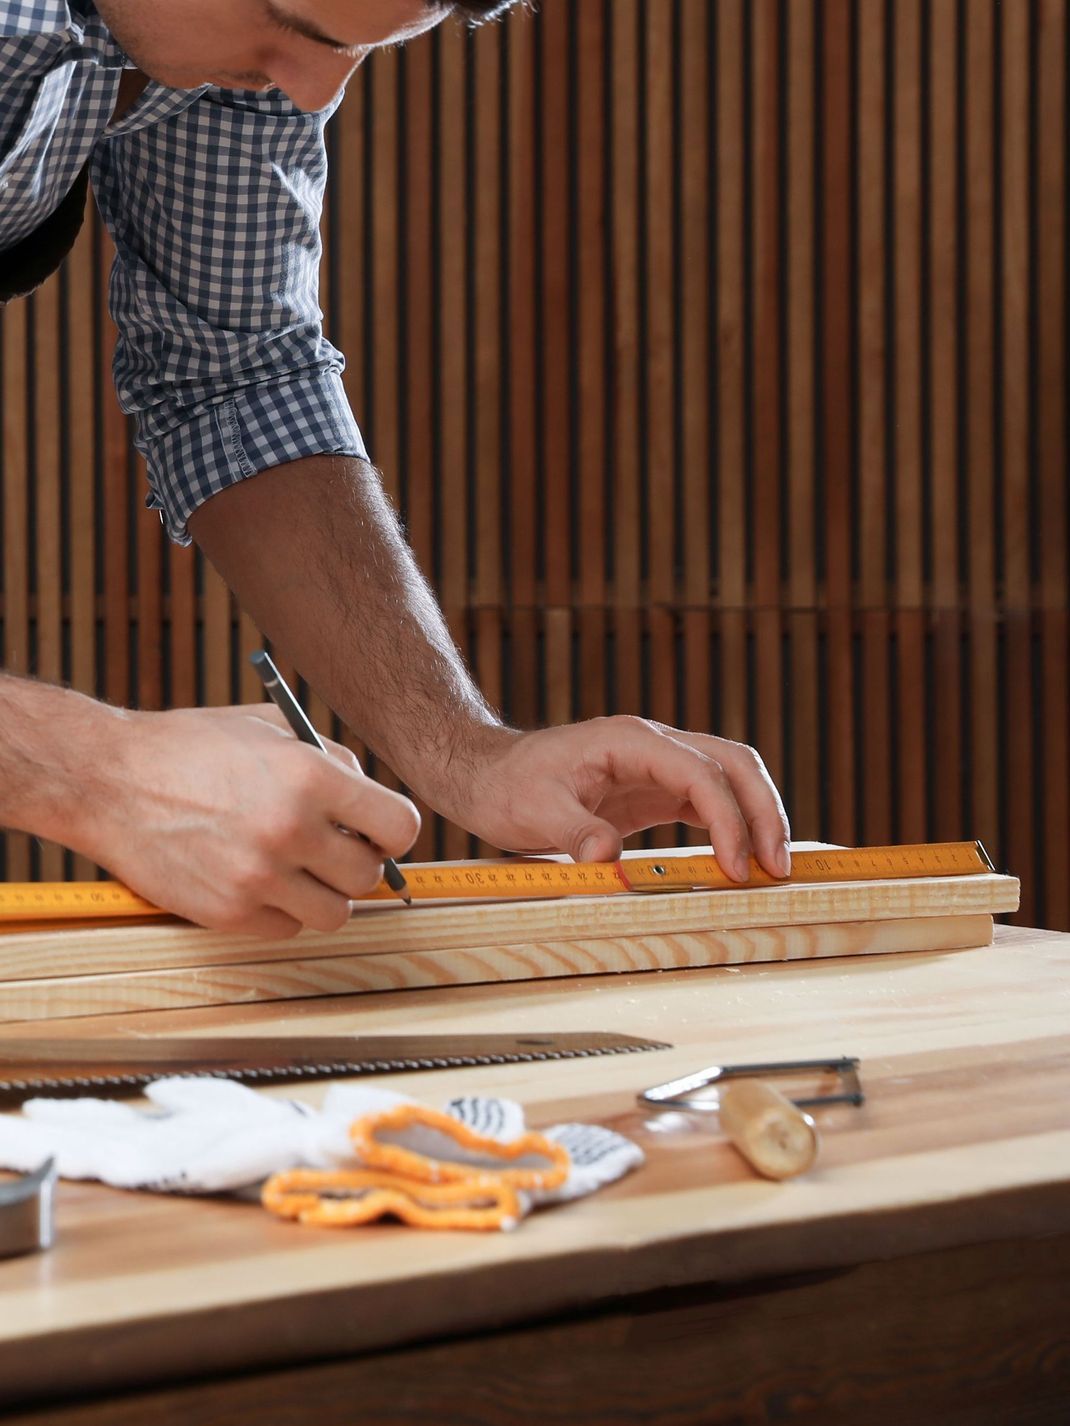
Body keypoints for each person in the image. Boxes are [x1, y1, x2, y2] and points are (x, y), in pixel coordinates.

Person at [0, 0, 791, 937]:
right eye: (295, 24)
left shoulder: (217, 48)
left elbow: (235, 380)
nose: (318, 87)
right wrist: (95, 772)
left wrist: (467, 755)